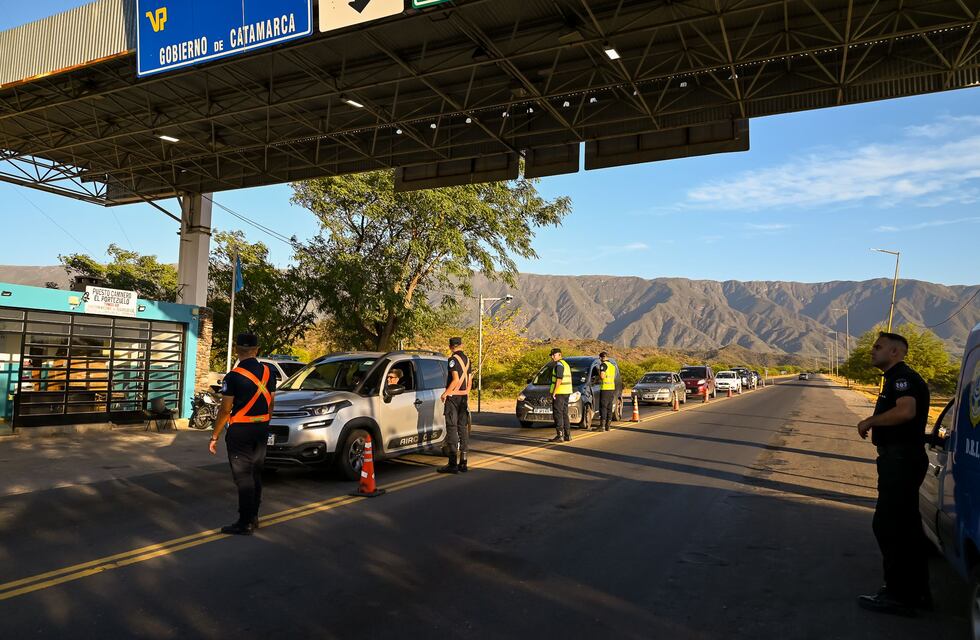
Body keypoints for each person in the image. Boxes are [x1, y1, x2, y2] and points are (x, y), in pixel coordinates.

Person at [856, 331, 931, 615]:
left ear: (895, 353)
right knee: (906, 527)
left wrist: (870, 420)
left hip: (901, 459)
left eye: (878, 347)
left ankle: (902, 595)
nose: (872, 351)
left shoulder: (903, 378)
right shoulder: (895, 378)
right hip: (900, 458)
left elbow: (907, 411)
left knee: (891, 526)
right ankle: (914, 592)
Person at [209, 333, 276, 536]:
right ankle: (254, 517)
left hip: (240, 432)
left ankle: (244, 522)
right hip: (262, 428)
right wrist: (263, 422)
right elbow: (271, 403)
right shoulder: (269, 372)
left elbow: (225, 409)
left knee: (243, 477)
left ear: (237, 350)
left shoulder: (233, 376)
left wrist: (215, 436)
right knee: (256, 473)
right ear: (257, 350)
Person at [438, 337, 471, 474]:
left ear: (451, 346)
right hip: (464, 397)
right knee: (462, 428)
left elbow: (456, 379)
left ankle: (452, 463)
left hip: (453, 398)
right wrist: (466, 392)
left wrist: (445, 393)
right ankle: (463, 462)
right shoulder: (468, 360)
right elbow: (469, 380)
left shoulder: (452, 360)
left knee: (451, 428)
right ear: (461, 345)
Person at [549, 348, 572, 442]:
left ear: (560, 355)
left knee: (558, 414)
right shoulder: (565, 364)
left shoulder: (559, 365)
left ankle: (560, 435)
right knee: (564, 413)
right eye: (552, 355)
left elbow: (559, 379)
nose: (552, 357)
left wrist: (554, 391)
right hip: (566, 392)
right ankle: (567, 435)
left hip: (560, 392)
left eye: (554, 355)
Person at [597, 351, 617, 432]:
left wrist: (598, 373)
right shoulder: (612, 366)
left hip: (605, 389)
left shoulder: (603, 365)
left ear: (601, 358)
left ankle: (602, 426)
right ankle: (608, 426)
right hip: (611, 388)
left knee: (603, 408)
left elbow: (602, 376)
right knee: (609, 407)